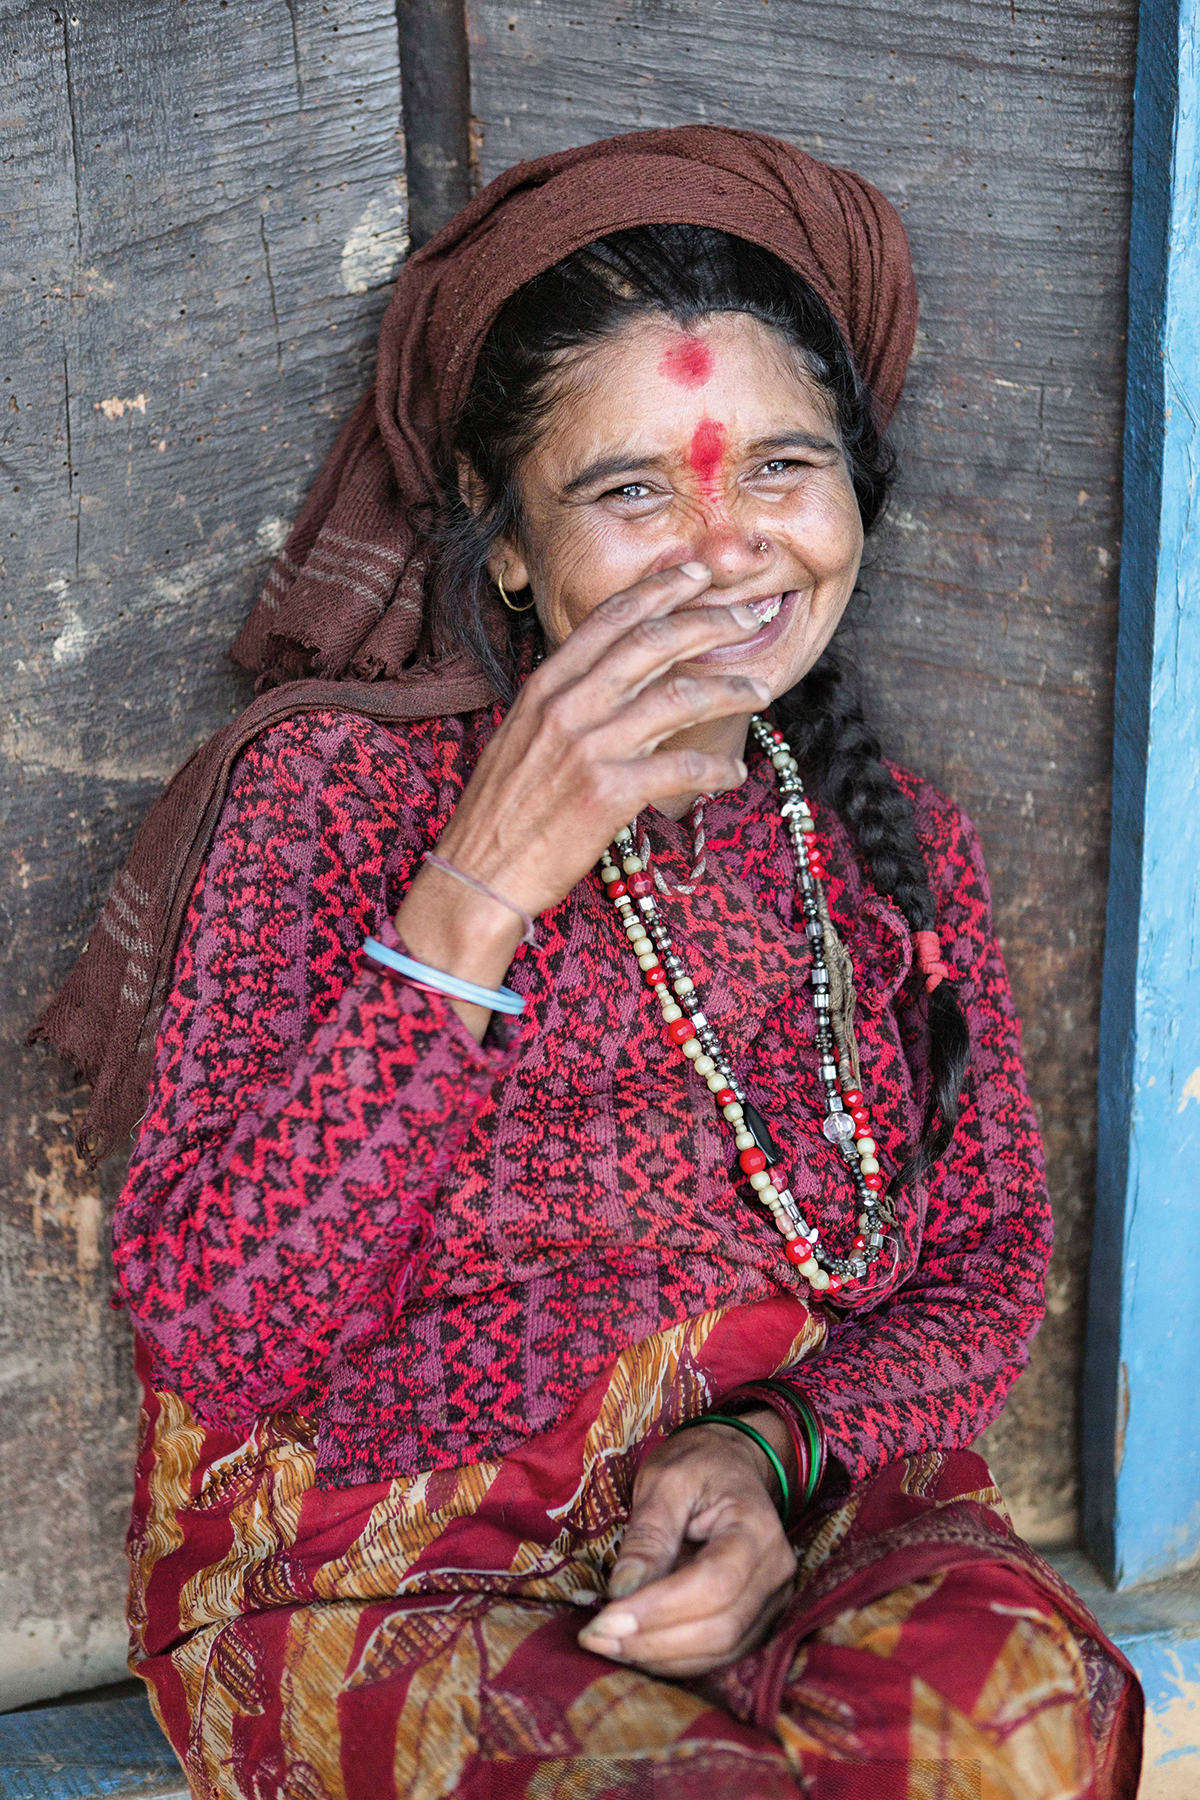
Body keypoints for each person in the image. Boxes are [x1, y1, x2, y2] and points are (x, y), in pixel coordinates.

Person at [35, 126, 1141, 1798]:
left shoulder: (892, 844)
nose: (725, 550)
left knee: (1013, 1729)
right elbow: (222, 1329)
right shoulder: (331, 794)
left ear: (860, 491)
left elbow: (982, 1272)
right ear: (502, 547)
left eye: (783, 466)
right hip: (380, 1552)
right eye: (631, 491)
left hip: (799, 1502)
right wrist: (481, 885)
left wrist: (764, 1453)